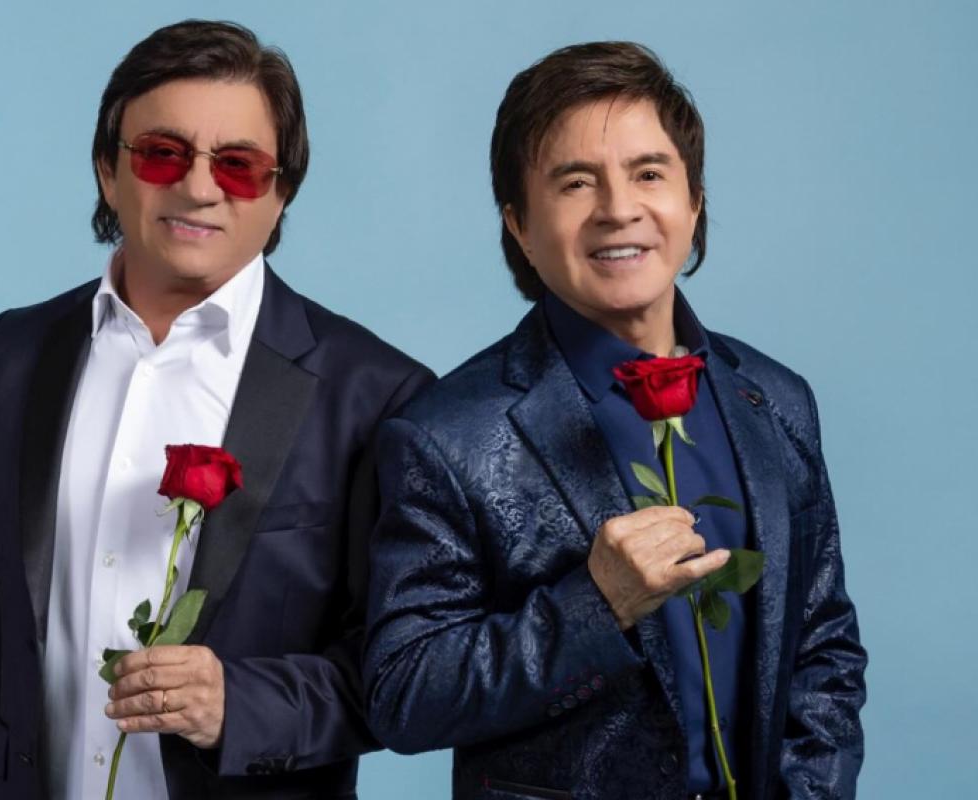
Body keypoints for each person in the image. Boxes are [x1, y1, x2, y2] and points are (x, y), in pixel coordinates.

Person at [0, 20, 431, 799]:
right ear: (108, 170)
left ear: (282, 191)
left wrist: (239, 705)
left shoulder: (375, 392)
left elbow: (402, 675)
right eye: (162, 153)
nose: (198, 188)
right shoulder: (18, 350)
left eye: (239, 166)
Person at [364, 41, 866, 799]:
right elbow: (403, 693)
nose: (618, 209)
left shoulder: (776, 399)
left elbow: (825, 648)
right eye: (575, 182)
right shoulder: (444, 436)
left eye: (649, 174)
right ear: (519, 225)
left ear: (694, 202)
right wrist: (596, 606)